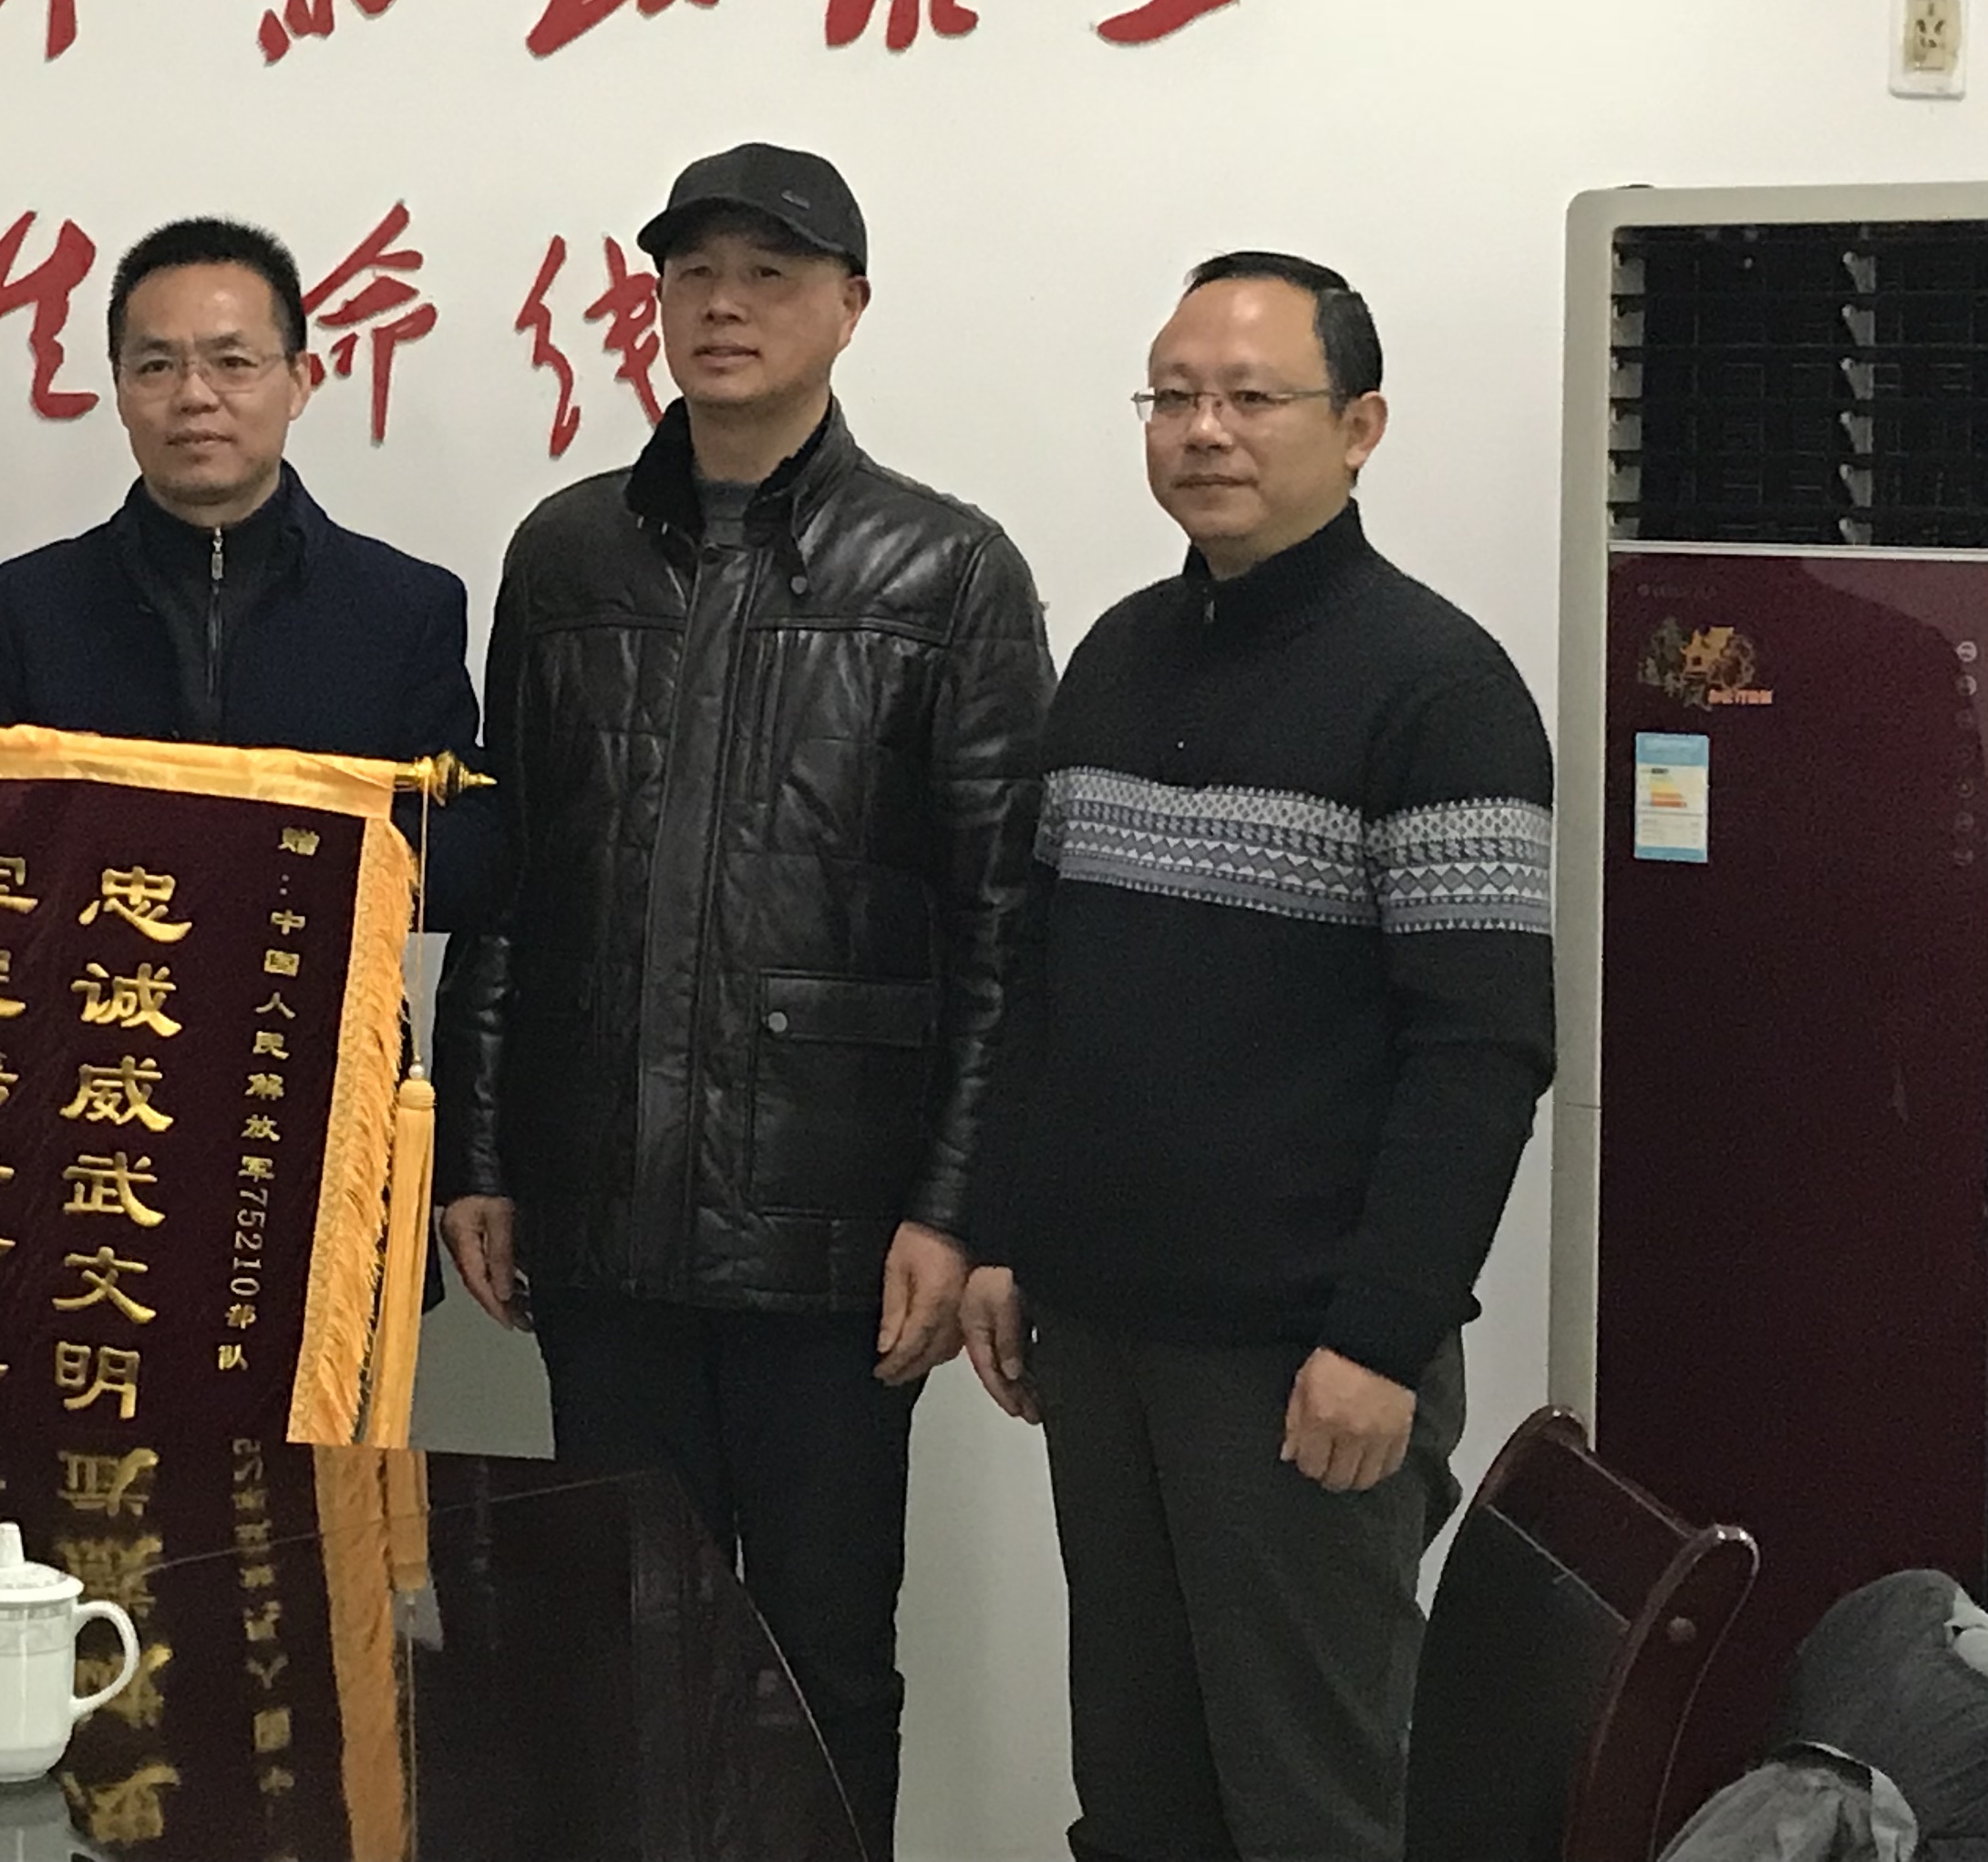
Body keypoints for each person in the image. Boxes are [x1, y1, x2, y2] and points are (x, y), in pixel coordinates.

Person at [434, 140, 1053, 1847]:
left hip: (832, 1237)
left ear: (848, 307)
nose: (723, 304)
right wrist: (478, 1152)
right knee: (605, 1647)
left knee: (820, 1657)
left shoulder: (944, 571)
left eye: (768, 274)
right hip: (602, 1213)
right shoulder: (564, 554)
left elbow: (1001, 927)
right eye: (692, 272)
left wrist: (954, 1204)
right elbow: (510, 878)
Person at [961, 252, 1553, 1862]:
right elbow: (1039, 980)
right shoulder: (1114, 655)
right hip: (1101, 1338)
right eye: (1170, 397)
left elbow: (1481, 1049)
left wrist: (1378, 1337)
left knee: (1307, 1805)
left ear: (1358, 426)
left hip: (1297, 1367)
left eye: (1247, 397)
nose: (1202, 430)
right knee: (1136, 1793)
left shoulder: (1437, 690)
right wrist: (1007, 1233)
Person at [0, 214, 494, 926]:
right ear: (119, 388)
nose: (194, 395)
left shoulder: (403, 608)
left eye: (231, 362)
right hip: (90, 986)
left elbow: (463, 856)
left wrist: (272, 868)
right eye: (156, 366)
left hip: (302, 983)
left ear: (298, 380)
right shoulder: (23, 609)